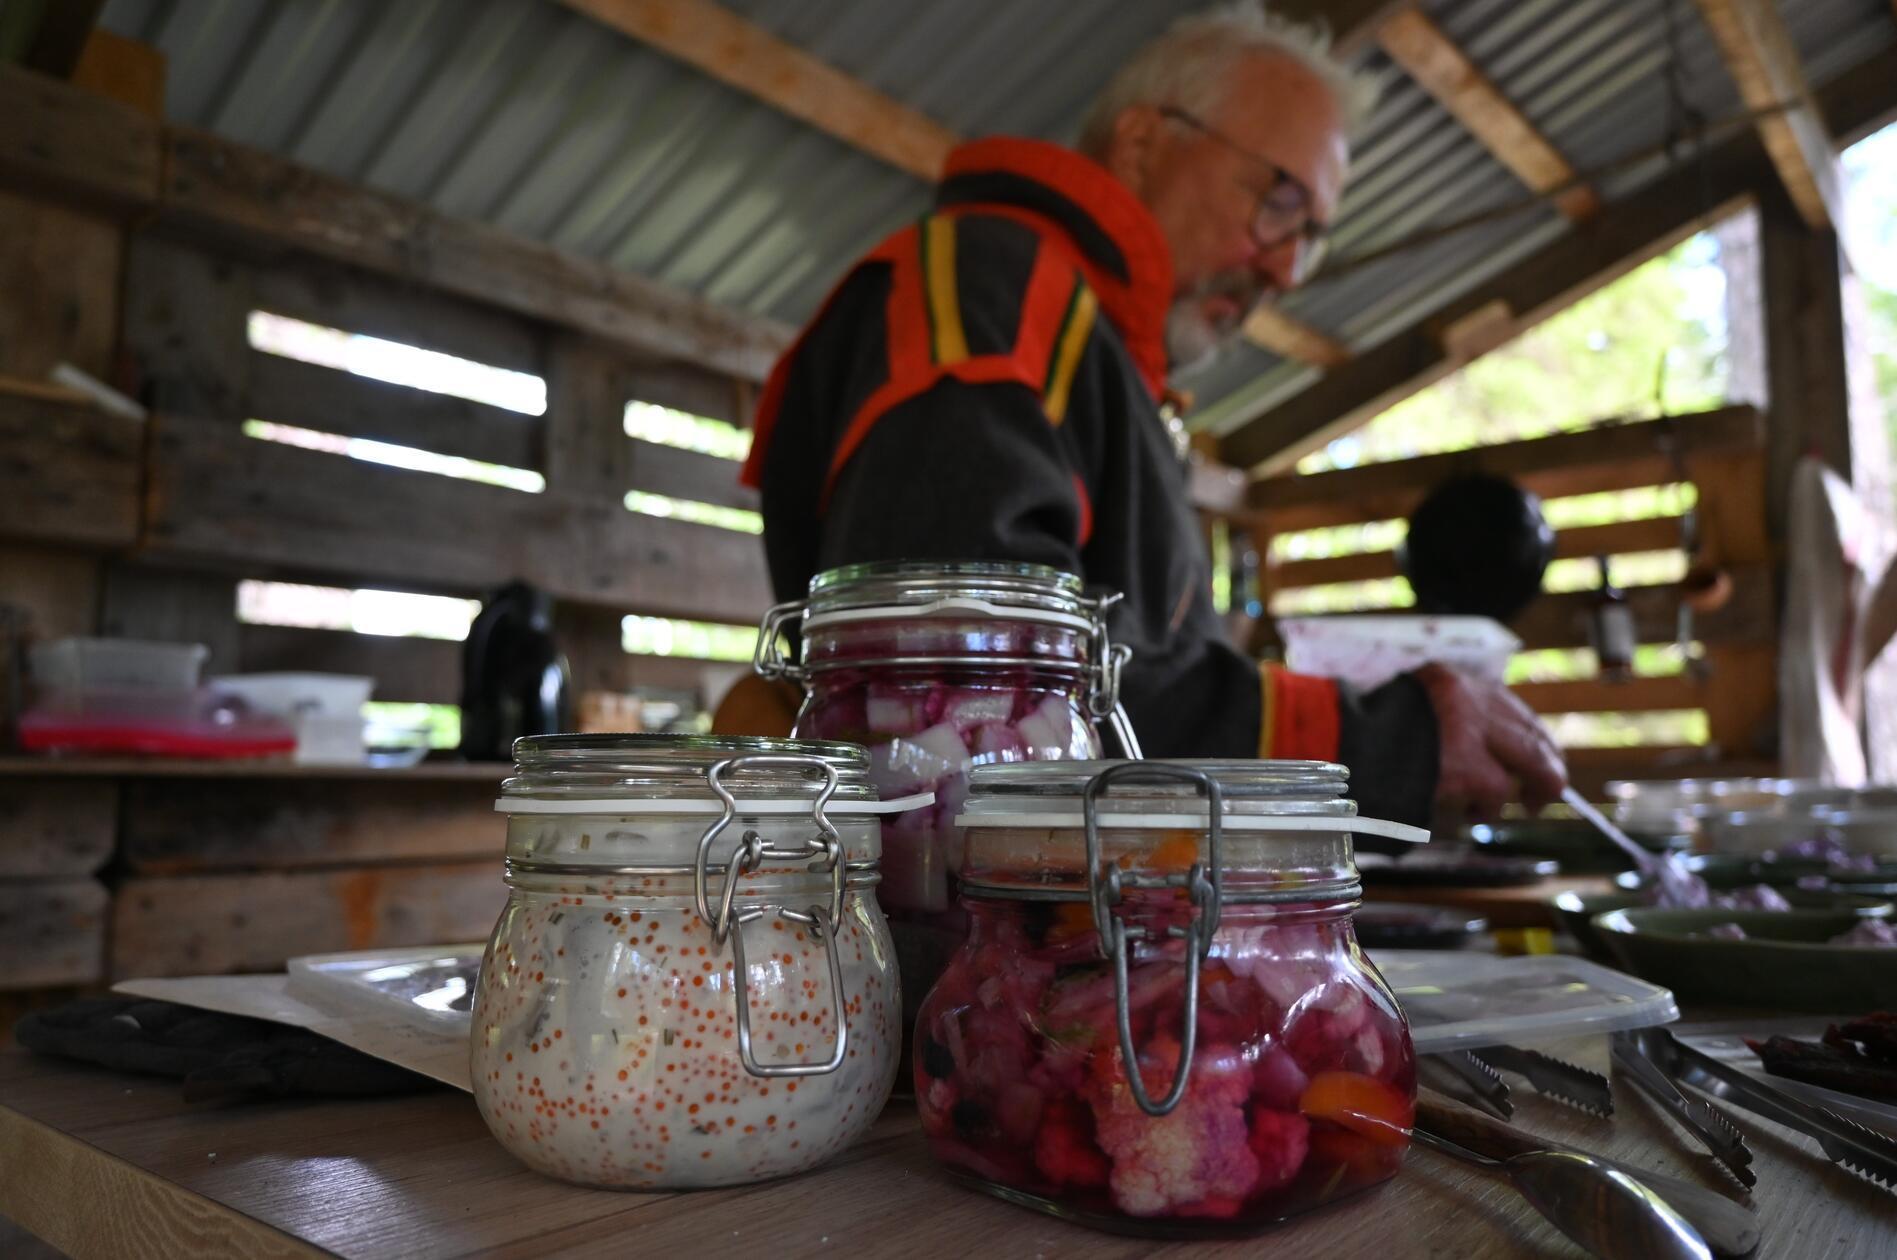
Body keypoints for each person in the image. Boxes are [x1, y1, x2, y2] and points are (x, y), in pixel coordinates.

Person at [738, 5, 1566, 824]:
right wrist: (1397, 740)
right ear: (1141, 144)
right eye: (1277, 202)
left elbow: (1129, 689)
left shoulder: (1092, 348)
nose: (1285, 271)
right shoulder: (993, 290)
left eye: (1310, 235)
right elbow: (981, 708)